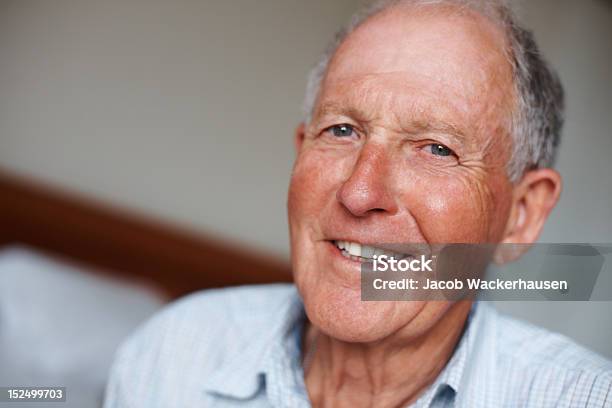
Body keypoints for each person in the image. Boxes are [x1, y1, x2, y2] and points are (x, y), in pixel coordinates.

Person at [103, 0, 612, 406]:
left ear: (521, 216)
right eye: (342, 130)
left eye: (437, 148)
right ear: (302, 151)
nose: (360, 192)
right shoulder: (172, 354)